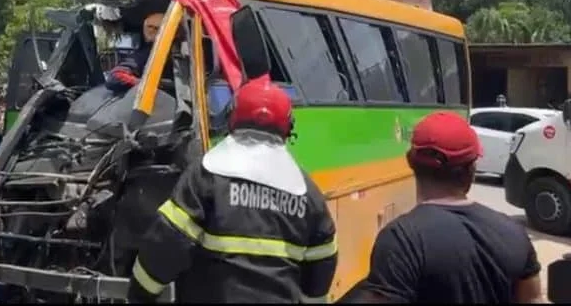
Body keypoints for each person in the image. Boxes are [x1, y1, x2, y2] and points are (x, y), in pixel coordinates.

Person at [127, 77, 338, 303]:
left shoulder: (206, 175)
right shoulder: (308, 195)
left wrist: (140, 294)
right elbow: (321, 268)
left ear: (232, 117)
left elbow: (167, 241)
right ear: (288, 128)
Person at [351, 111, 542, 304]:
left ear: (410, 161)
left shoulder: (401, 240)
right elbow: (533, 299)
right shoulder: (514, 233)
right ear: (473, 169)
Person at [106, 12, 171, 92]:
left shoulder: (179, 51)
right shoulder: (148, 54)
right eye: (150, 27)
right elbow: (116, 76)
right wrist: (148, 85)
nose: (151, 31)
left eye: (157, 28)